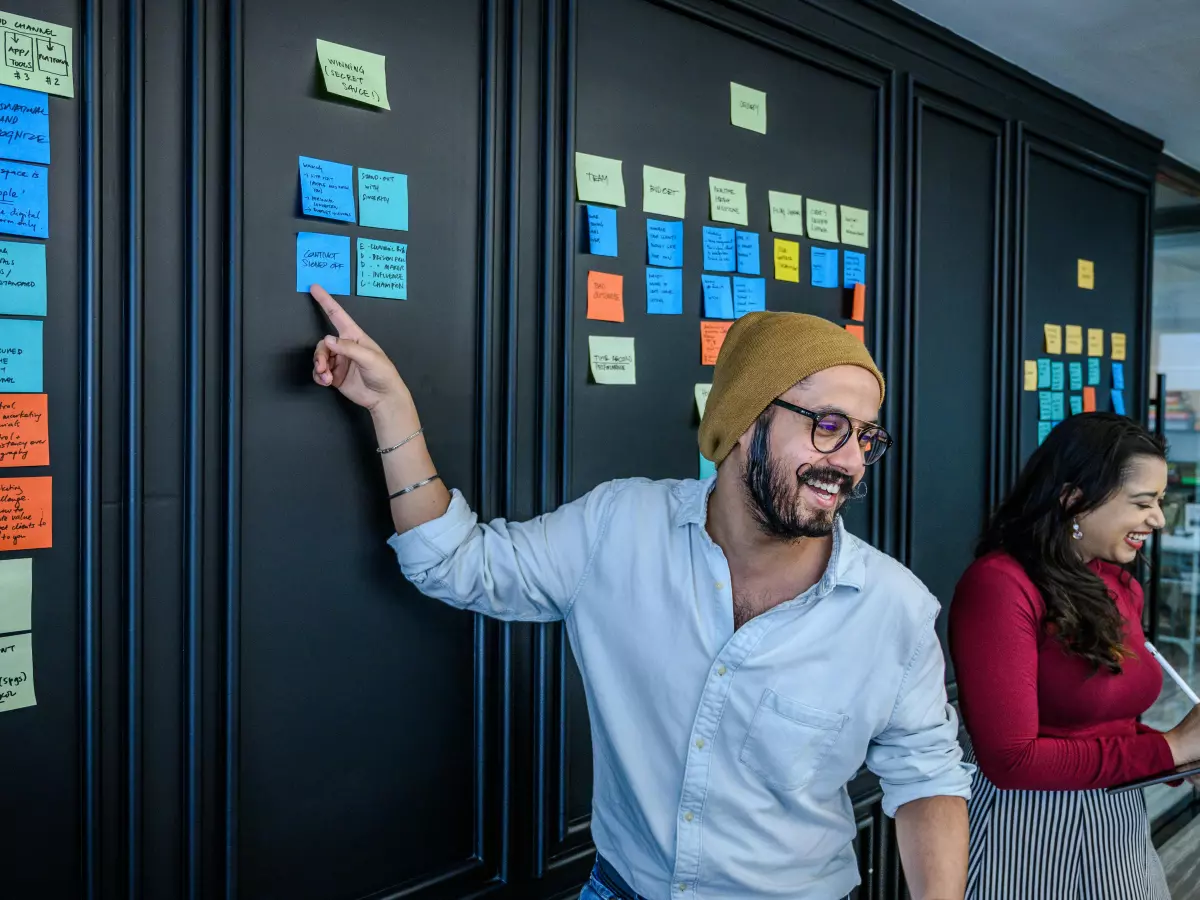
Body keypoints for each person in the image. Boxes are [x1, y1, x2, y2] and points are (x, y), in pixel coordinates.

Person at [306, 284, 972, 900]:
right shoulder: (617, 528)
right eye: (829, 425)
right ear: (745, 421)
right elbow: (454, 562)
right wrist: (391, 408)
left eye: (866, 437)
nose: (852, 461)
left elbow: (929, 781)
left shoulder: (894, 608)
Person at [950, 412, 1200, 899]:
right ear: (1073, 500)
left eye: (1160, 502)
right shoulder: (1000, 585)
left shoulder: (1118, 583)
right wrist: (1171, 748)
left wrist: (1182, 761)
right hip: (1027, 835)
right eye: (1143, 503)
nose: (1157, 519)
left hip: (1120, 825)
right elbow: (1011, 761)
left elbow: (1109, 728)